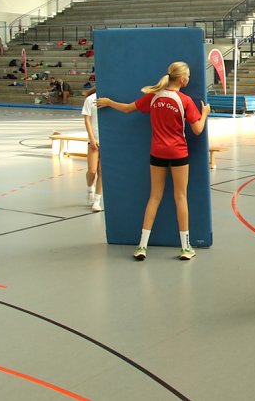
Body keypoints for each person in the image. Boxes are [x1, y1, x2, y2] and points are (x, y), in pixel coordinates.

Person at [96, 61, 211, 261]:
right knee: (180, 197)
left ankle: (141, 246)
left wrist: (109, 102)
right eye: (189, 76)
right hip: (178, 153)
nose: (189, 79)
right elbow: (198, 130)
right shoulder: (184, 100)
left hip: (157, 152)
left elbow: (128, 108)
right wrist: (205, 114)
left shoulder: (154, 96)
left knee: (154, 197)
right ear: (182, 79)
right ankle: (185, 248)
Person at [82, 88, 104, 212]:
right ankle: (90, 186)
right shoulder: (90, 99)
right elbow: (87, 119)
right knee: (92, 171)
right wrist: (92, 138)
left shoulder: (109, 100)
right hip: (94, 141)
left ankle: (97, 201)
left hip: (106, 142)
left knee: (101, 172)